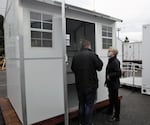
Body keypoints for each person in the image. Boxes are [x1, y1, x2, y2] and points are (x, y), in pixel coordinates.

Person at [71, 40, 103, 125]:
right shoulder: (92, 55)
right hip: (91, 86)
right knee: (89, 105)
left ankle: (81, 122)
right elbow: (100, 66)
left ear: (82, 46)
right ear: (89, 46)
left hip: (79, 85)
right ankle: (88, 123)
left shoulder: (76, 56)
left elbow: (73, 68)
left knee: (81, 104)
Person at [105, 47, 121, 122]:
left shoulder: (115, 61)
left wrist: (110, 76)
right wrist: (106, 81)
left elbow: (118, 73)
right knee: (111, 98)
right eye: (108, 51)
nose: (108, 52)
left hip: (114, 84)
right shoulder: (111, 60)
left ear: (114, 53)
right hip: (110, 83)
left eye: (109, 51)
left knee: (115, 100)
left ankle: (116, 116)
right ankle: (110, 111)